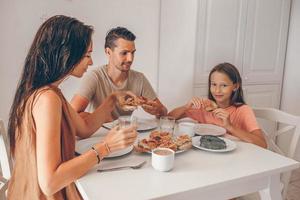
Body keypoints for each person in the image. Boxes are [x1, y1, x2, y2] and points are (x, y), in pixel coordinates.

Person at [7, 15, 137, 200]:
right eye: (87, 55)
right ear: (66, 54)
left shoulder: (48, 92)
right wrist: (106, 147)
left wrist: (113, 99)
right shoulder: (47, 99)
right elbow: (50, 182)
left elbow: (84, 129)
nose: (91, 62)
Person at [71, 27, 167, 120]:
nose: (130, 59)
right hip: (99, 134)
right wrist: (104, 118)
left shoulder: (139, 78)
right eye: (124, 53)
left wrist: (158, 110)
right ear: (108, 52)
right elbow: (72, 115)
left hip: (125, 133)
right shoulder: (94, 77)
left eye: (132, 53)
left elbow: (164, 112)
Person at [168, 62, 267, 148]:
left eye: (224, 85)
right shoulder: (205, 106)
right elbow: (168, 118)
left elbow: (262, 144)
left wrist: (230, 127)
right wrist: (186, 107)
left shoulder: (242, 110)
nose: (217, 90)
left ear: (235, 86)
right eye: (214, 84)